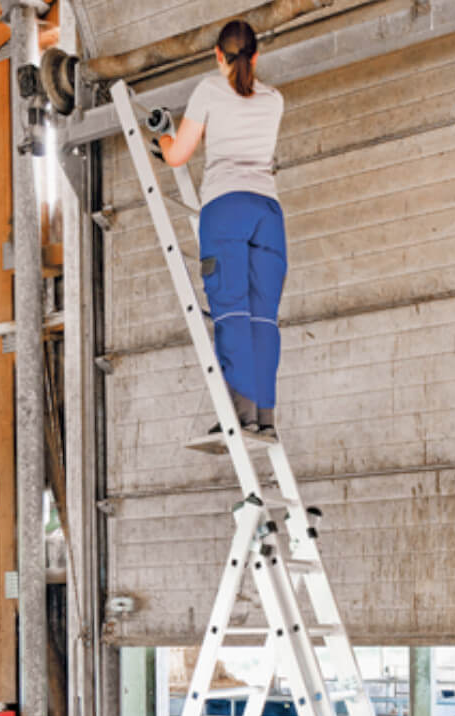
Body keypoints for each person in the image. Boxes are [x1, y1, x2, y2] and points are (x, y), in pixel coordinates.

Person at [156, 19, 286, 441]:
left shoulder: (210, 90)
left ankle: (239, 415)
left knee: (231, 310)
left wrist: (161, 137)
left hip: (226, 207)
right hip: (268, 212)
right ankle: (264, 420)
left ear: (217, 54)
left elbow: (177, 156)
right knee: (263, 318)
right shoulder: (275, 99)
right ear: (256, 55)